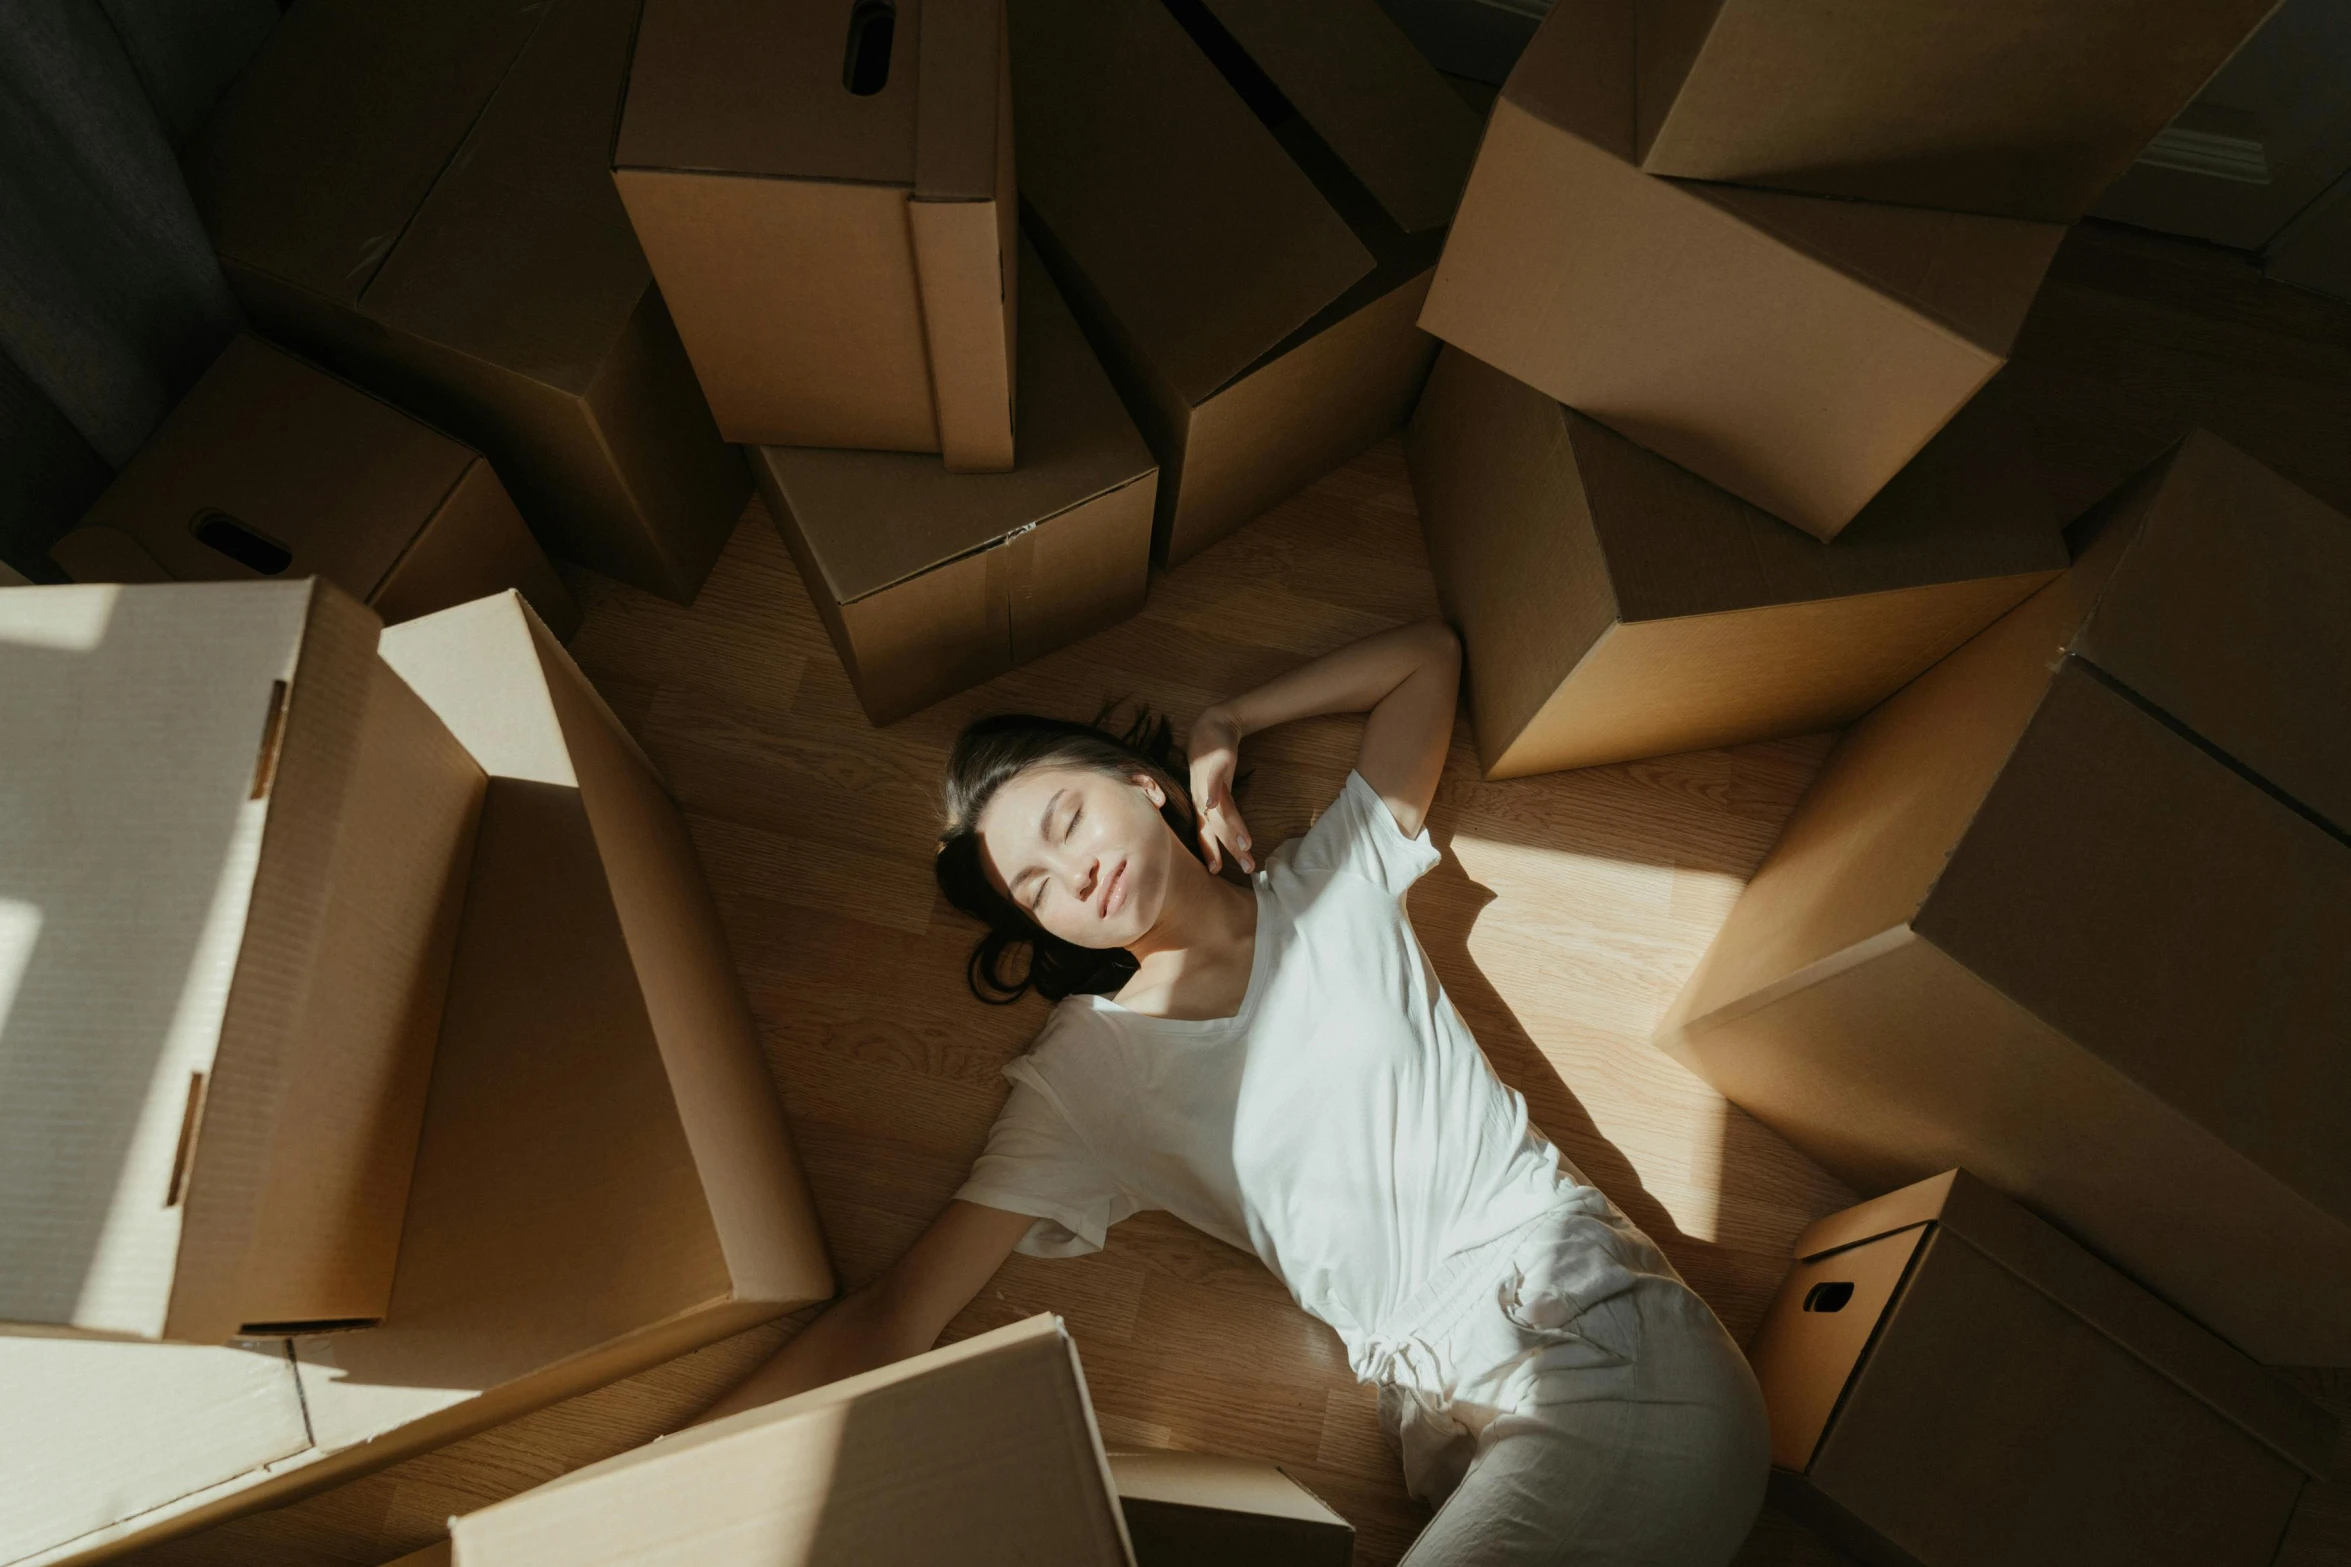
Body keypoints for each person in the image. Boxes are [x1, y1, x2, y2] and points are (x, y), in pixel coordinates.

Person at [700, 620, 1768, 1565]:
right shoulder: (1085, 1076)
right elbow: (897, 1313)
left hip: (1595, 1337)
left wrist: (1229, 716)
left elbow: (1423, 661)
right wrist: (653, 1481)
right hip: (1464, 1428)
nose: (1069, 876)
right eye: (1034, 891)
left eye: (1066, 820)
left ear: (1142, 784)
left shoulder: (1334, 882)